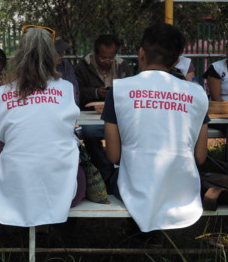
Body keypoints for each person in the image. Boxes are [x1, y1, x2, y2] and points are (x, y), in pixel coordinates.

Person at [101, 23, 209, 233]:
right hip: (183, 193)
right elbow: (200, 157)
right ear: (177, 61)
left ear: (141, 52)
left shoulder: (119, 91)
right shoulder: (197, 94)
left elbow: (113, 156)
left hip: (133, 188)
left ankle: (136, 235)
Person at [0, 25, 85, 227]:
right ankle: (55, 236)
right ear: (53, 56)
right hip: (63, 189)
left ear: (19, 55)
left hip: (15, 191)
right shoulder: (67, 90)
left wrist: (16, 182)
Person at [75, 34, 132, 191]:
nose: (107, 61)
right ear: (95, 53)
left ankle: (120, 171)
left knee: (128, 132)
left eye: (110, 58)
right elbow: (77, 92)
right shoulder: (83, 66)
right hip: (92, 116)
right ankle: (104, 170)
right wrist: (95, 93)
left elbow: (131, 90)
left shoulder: (122, 66)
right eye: (103, 58)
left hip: (119, 116)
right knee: (89, 132)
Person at [55, 35, 80, 106]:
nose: (63, 53)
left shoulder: (66, 65)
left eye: (63, 50)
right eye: (58, 51)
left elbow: (74, 92)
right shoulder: (33, 69)